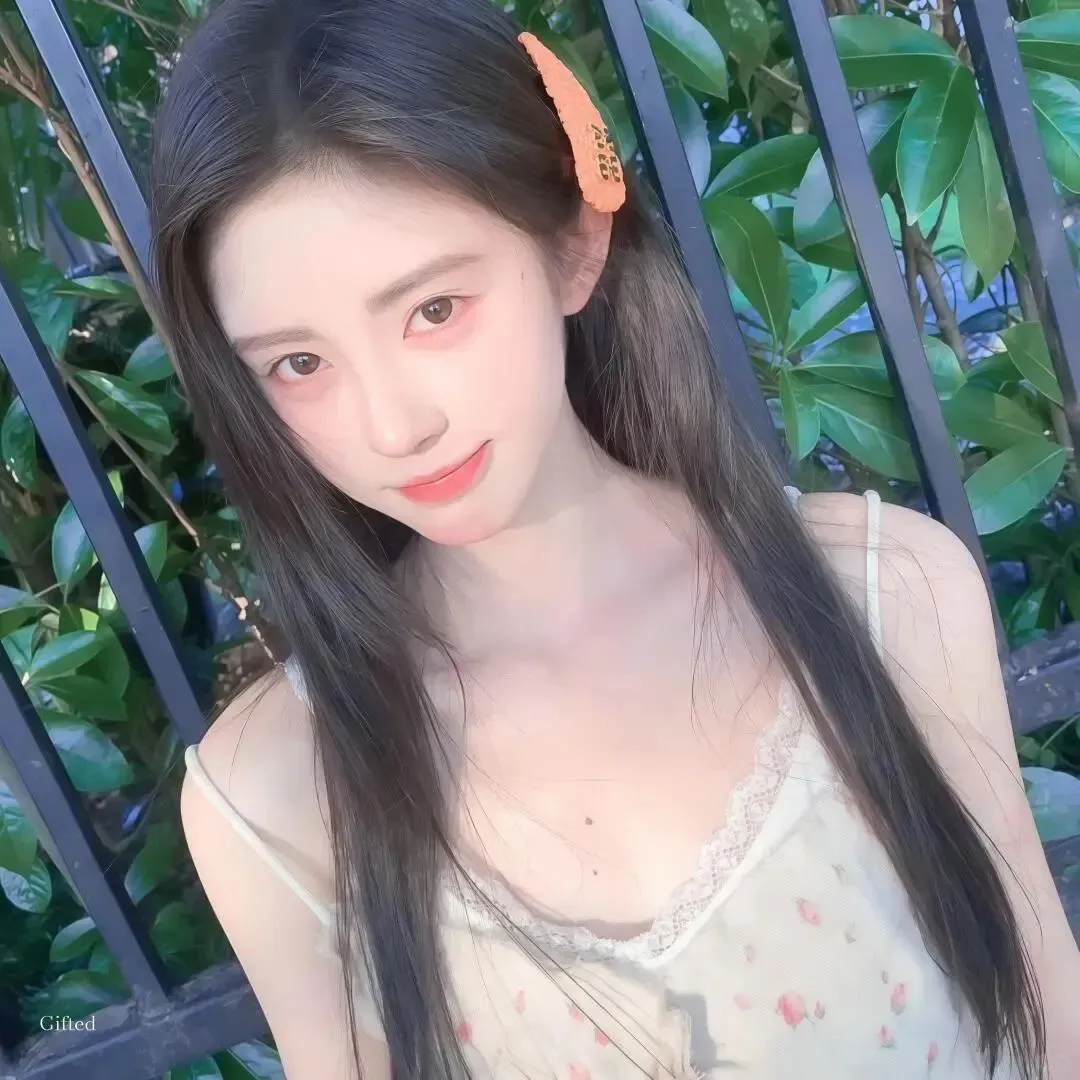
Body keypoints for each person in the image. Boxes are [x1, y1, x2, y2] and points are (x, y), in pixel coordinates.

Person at [151, 1, 1079, 1077]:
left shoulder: (889, 593)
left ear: (574, 244)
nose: (392, 426)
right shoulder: (273, 794)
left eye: (434, 309)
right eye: (300, 364)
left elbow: (1050, 1015)